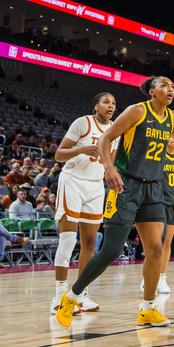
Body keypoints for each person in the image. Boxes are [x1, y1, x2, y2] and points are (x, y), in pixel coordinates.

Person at [54, 77, 174, 329]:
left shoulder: (173, 118)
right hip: (125, 185)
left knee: (156, 249)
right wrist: (109, 168)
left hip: (153, 188)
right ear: (151, 90)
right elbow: (105, 139)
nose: (170, 89)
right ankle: (71, 297)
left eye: (172, 86)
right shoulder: (137, 111)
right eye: (164, 85)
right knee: (112, 250)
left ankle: (147, 308)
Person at [49, 93, 117, 315]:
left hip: (96, 186)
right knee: (68, 240)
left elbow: (112, 163)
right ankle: (59, 295)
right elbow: (59, 154)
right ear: (96, 105)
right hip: (73, 182)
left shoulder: (116, 130)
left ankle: (80, 294)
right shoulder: (83, 123)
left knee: (90, 243)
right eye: (106, 102)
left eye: (114, 103)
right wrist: (81, 149)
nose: (111, 106)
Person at [140, 136, 174, 296]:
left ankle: (161, 277)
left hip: (173, 202)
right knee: (156, 242)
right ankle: (148, 276)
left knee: (167, 242)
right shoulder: (158, 153)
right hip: (156, 200)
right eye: (170, 134)